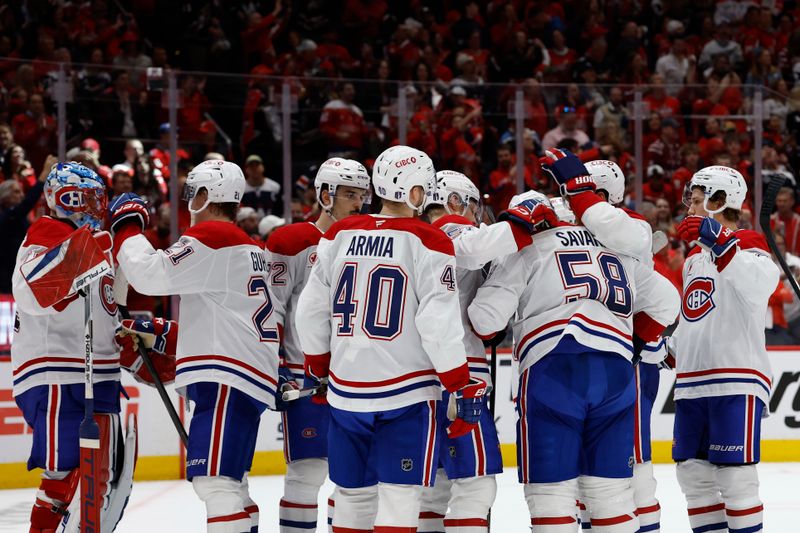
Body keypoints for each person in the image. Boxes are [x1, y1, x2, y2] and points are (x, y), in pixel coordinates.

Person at [296, 146, 486, 532]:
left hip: (346, 389)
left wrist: (318, 368)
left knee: (351, 496)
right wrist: (458, 384)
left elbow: (311, 310)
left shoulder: (338, 233)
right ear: (415, 192)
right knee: (400, 498)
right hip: (407, 393)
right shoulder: (430, 240)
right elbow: (437, 323)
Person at [469, 191, 680, 532]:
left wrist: (493, 274)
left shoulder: (528, 247)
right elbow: (669, 300)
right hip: (616, 373)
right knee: (612, 497)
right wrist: (635, 343)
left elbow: (485, 321)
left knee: (552, 499)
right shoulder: (615, 248)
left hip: (554, 370)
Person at [110, 159, 282, 533]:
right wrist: (164, 334)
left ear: (206, 195)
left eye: (192, 193)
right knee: (233, 484)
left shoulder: (214, 237)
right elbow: (226, 314)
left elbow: (149, 274)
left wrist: (126, 227)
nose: (189, 201)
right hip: (241, 374)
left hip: (227, 378)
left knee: (215, 484)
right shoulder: (244, 245)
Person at [541, 151, 666, 532]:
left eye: (584, 192)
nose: (571, 200)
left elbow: (664, 301)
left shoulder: (629, 225)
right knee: (591, 470)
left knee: (633, 461)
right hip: (596, 354)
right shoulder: (590, 231)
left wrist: (637, 344)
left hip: (628, 359)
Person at [11, 161, 137, 531]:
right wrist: (83, 252)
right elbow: (31, 292)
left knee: (97, 479)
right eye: (94, 197)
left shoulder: (96, 245)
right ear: (71, 197)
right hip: (57, 373)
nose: (100, 206)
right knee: (65, 475)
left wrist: (130, 339)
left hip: (93, 374)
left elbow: (105, 313)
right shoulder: (48, 230)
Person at [418, 170, 542, 533]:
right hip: (458, 370)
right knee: (475, 484)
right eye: (473, 207)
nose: (476, 217)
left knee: (433, 487)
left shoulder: (409, 236)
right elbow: (472, 248)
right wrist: (525, 222)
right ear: (454, 201)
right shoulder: (452, 228)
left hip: (413, 372)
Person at [265, 157, 371, 532]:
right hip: (304, 375)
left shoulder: (368, 244)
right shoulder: (292, 241)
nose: (357, 202)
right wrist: (273, 365)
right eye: (348, 194)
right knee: (307, 473)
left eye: (362, 194)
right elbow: (269, 310)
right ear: (325, 194)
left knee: (354, 479)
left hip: (357, 379)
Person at [672, 166, 780, 533]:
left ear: (721, 202)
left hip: (735, 378)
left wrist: (720, 241)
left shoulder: (749, 243)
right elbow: (696, 316)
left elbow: (760, 285)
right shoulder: (692, 260)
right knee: (693, 477)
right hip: (691, 382)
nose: (690, 207)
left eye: (699, 200)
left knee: (736, 480)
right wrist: (668, 346)